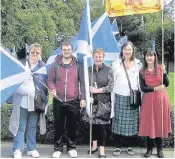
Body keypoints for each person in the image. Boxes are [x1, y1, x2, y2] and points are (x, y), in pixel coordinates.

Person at [47, 41, 86, 158]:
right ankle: (58, 148)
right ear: (61, 50)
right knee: (58, 125)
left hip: (73, 100)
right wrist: (52, 89)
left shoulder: (78, 65)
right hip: (58, 100)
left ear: (72, 50)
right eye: (64, 50)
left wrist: (83, 98)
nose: (66, 51)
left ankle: (71, 147)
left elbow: (82, 83)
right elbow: (50, 80)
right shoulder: (55, 65)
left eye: (68, 49)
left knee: (72, 126)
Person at [9, 43, 48, 158]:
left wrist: (44, 103)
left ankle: (31, 148)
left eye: (37, 52)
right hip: (22, 102)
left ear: (40, 54)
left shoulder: (43, 68)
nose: (34, 54)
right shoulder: (21, 65)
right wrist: (28, 91)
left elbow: (45, 87)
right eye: (32, 52)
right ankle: (18, 149)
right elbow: (15, 84)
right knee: (20, 126)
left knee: (32, 126)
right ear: (29, 53)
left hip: (35, 103)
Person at [111, 41, 142, 156]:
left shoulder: (138, 64)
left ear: (133, 50)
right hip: (119, 96)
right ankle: (118, 147)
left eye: (129, 49)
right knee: (118, 122)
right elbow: (111, 79)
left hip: (133, 98)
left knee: (131, 124)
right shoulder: (116, 63)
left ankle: (129, 146)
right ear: (122, 51)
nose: (127, 51)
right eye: (125, 49)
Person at [138, 51, 172, 158]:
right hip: (148, 100)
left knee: (159, 123)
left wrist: (165, 72)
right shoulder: (142, 71)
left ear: (155, 57)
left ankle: (160, 149)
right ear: (145, 57)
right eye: (147, 55)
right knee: (150, 123)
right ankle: (149, 148)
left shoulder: (161, 68)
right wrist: (155, 88)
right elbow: (143, 88)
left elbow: (166, 83)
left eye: (151, 55)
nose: (149, 57)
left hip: (161, 99)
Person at [87, 48, 114, 158]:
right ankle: (94, 146)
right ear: (93, 57)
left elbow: (110, 86)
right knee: (93, 125)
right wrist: (88, 88)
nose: (98, 59)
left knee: (102, 126)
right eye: (96, 56)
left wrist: (97, 90)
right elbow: (83, 83)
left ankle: (102, 149)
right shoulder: (88, 69)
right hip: (92, 102)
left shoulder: (109, 70)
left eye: (100, 57)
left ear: (103, 57)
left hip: (104, 103)